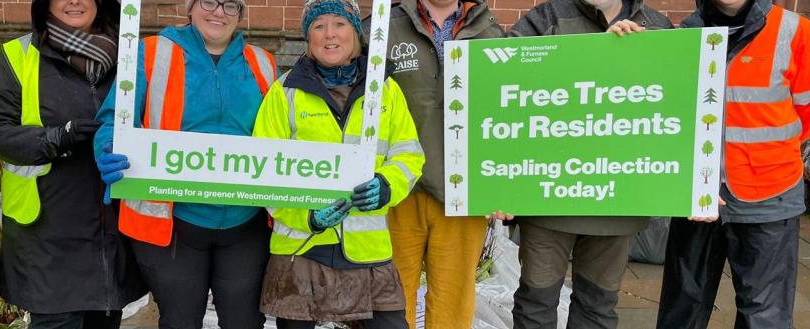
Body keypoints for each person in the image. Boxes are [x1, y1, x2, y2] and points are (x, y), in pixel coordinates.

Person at [93, 0, 279, 327]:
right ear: (190, 7)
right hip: (173, 223)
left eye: (230, 5)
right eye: (208, 1)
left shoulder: (263, 63)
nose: (218, 12)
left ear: (240, 14)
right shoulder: (150, 53)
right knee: (180, 321)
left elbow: (280, 131)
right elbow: (114, 119)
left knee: (245, 321)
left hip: (245, 224)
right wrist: (109, 148)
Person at [251, 1, 425, 328]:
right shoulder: (285, 92)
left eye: (339, 24)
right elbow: (263, 171)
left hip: (367, 251)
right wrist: (306, 216)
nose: (329, 34)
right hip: (302, 249)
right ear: (308, 38)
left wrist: (386, 185)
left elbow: (408, 154)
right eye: (319, 26)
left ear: (355, 33)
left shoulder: (385, 90)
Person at [0, 0, 147, 327]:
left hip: (111, 231)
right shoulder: (19, 56)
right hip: (47, 234)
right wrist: (55, 139)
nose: (74, 1)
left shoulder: (130, 57)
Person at [503, 0, 672, 328]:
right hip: (548, 197)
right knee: (536, 303)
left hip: (618, 200)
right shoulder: (547, 18)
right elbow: (506, 81)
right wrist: (595, 54)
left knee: (597, 306)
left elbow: (674, 100)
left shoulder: (656, 26)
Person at [657, 0, 810, 327]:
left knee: (764, 317)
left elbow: (806, 115)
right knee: (682, 311)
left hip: (769, 196)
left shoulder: (796, 32)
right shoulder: (686, 34)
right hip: (698, 195)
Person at [366, 0, 503, 326]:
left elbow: (510, 110)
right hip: (397, 188)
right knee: (390, 300)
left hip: (463, 192)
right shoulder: (383, 25)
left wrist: (503, 185)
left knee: (452, 303)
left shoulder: (489, 31)